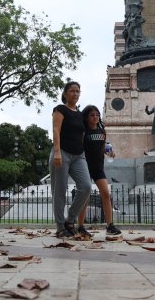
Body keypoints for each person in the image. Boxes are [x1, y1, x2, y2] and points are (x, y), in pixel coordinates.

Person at [51, 81, 92, 239]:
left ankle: (70, 220)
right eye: (72, 91)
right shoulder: (60, 110)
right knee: (59, 191)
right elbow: (55, 129)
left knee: (86, 186)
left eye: (78, 91)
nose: (75, 94)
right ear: (65, 93)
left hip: (78, 155)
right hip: (61, 152)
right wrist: (56, 152)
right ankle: (60, 227)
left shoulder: (80, 114)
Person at [76, 105, 120, 237]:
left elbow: (104, 148)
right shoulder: (84, 131)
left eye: (97, 114)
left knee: (106, 194)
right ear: (87, 117)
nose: (95, 117)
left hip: (98, 167)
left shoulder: (102, 131)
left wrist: (110, 153)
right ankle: (80, 226)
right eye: (92, 115)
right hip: (85, 167)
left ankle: (110, 225)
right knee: (85, 196)